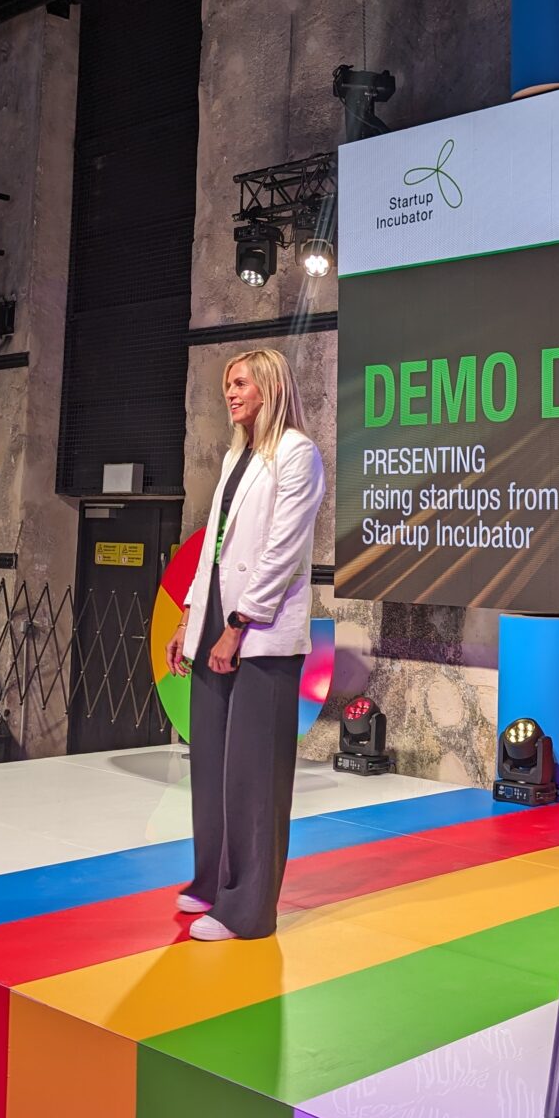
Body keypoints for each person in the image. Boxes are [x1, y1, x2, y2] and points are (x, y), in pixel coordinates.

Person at [164, 348, 327, 941]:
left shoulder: (297, 453)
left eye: (240, 383)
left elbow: (282, 551)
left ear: (269, 387)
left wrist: (237, 624)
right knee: (211, 765)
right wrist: (190, 616)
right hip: (215, 619)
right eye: (227, 385)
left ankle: (249, 911)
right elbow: (214, 547)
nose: (230, 393)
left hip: (261, 633)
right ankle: (213, 882)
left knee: (254, 776)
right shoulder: (236, 456)